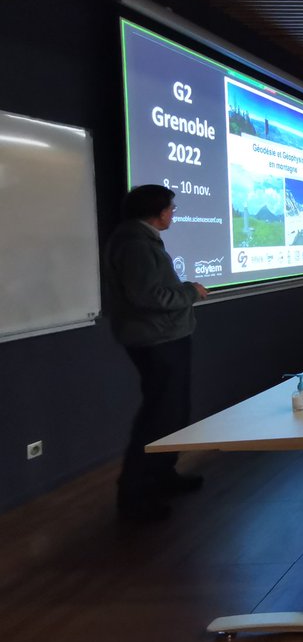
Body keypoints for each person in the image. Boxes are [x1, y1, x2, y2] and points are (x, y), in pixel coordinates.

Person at [103, 184, 210, 522]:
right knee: (159, 416)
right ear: (158, 211)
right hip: (157, 341)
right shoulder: (135, 244)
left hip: (163, 338)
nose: (173, 213)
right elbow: (150, 297)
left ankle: (163, 477)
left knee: (172, 414)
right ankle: (134, 496)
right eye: (171, 208)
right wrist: (190, 292)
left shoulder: (139, 239)